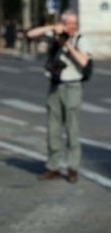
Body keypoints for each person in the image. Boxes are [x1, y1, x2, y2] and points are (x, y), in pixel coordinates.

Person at [26, 10, 91, 183]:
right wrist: (53, 27)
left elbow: (84, 62)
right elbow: (31, 34)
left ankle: (72, 168)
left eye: (74, 23)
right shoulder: (54, 36)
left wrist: (68, 45)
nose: (72, 26)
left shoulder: (80, 39)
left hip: (73, 87)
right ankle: (53, 166)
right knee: (53, 129)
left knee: (72, 130)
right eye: (69, 23)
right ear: (63, 23)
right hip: (55, 86)